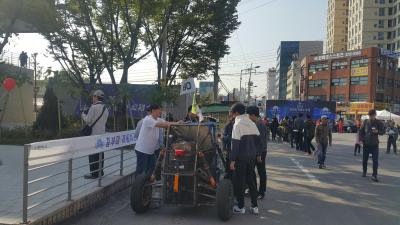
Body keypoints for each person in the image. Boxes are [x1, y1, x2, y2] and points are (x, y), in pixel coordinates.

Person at [230, 103, 261, 215]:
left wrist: (232, 160)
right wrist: (257, 154)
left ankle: (241, 206)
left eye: (232, 113)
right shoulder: (252, 124)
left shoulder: (237, 124)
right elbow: (259, 141)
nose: (232, 115)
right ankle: (255, 206)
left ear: (236, 113)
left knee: (240, 182)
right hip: (251, 157)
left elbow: (235, 144)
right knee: (251, 180)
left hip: (241, 158)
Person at [135, 105, 177, 177]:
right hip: (142, 151)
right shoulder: (147, 119)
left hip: (150, 151)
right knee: (141, 171)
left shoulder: (158, 119)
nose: (161, 112)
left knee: (150, 170)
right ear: (153, 111)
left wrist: (178, 123)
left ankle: (147, 186)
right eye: (159, 110)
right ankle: (137, 187)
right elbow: (164, 125)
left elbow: (167, 123)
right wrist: (176, 124)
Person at [82, 90, 109, 179]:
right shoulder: (106, 108)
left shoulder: (93, 108)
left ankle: (94, 174)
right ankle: (100, 172)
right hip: (102, 134)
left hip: (93, 135)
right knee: (100, 153)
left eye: (93, 96)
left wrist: (83, 115)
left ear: (96, 97)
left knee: (93, 154)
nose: (92, 98)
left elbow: (88, 120)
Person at [247, 106, 267, 200]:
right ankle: (253, 190)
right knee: (251, 171)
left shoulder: (260, 124)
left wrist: (259, 154)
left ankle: (261, 192)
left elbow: (261, 141)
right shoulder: (256, 123)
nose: (248, 117)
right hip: (255, 151)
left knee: (261, 172)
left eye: (249, 115)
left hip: (260, 152)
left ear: (253, 115)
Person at [359, 109, 385, 182]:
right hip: (366, 144)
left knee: (375, 161)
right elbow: (361, 131)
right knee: (364, 160)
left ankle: (374, 175)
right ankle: (364, 171)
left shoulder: (378, 122)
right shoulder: (365, 122)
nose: (371, 117)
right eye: (369, 115)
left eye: (372, 115)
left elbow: (383, 132)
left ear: (375, 115)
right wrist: (360, 139)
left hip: (374, 145)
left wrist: (377, 132)